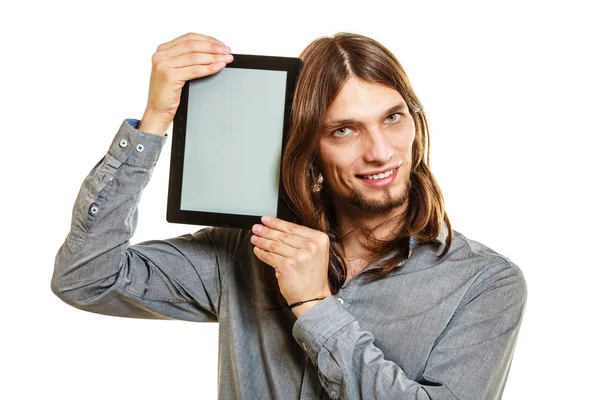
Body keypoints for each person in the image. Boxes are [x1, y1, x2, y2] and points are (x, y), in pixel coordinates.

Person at [52, 32, 527, 399]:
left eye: (392, 117)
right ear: (307, 148)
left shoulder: (486, 283)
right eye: (344, 130)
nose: (381, 152)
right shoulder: (249, 251)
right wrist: (154, 120)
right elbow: (86, 277)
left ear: (415, 121)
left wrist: (314, 306)